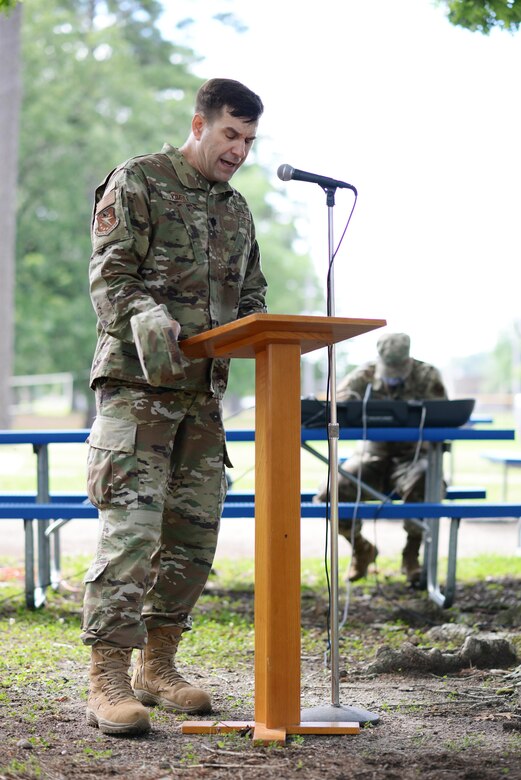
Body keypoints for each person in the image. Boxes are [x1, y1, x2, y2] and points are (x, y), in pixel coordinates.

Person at [81, 78, 267, 736]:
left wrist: (257, 326)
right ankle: (107, 678)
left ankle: (157, 667)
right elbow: (109, 275)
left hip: (201, 399)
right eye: (229, 135)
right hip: (137, 392)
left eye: (248, 140)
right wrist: (147, 315)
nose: (239, 150)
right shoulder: (138, 181)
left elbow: (252, 293)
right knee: (132, 533)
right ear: (199, 123)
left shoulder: (236, 210)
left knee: (191, 541)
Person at [315, 332, 448, 584]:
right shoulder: (364, 375)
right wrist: (352, 404)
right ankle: (361, 548)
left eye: (399, 367)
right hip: (372, 457)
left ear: (409, 360)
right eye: (390, 367)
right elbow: (336, 405)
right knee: (333, 490)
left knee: (425, 480)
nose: (394, 373)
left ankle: (412, 554)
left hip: (413, 456)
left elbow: (445, 414)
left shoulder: (427, 375)